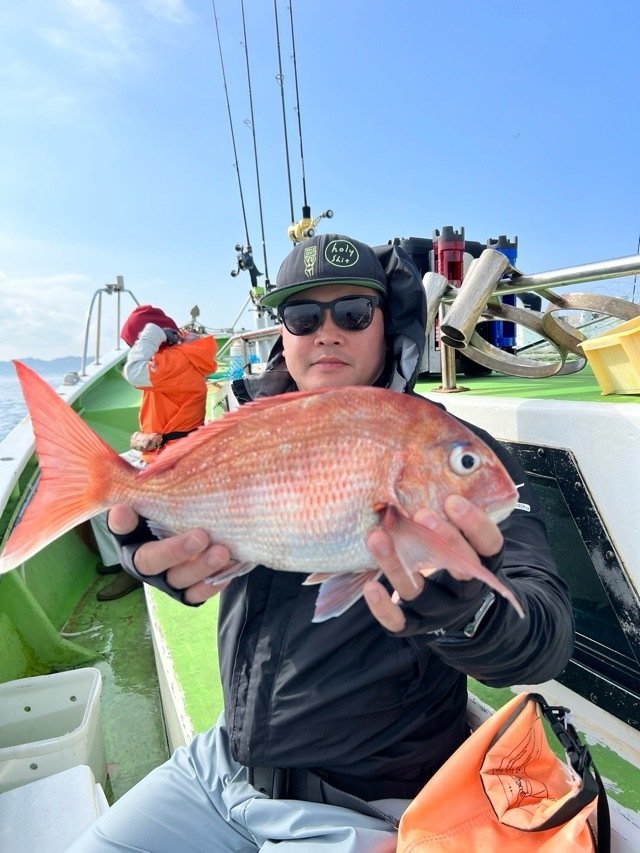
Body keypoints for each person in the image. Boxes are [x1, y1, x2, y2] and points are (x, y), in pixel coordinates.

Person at [71, 234, 574, 851]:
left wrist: (468, 611)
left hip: (364, 807)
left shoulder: (448, 447)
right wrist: (150, 535)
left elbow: (543, 636)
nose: (326, 332)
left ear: (386, 322)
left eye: (353, 313)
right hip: (220, 765)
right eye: (303, 316)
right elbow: (193, 521)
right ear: (283, 331)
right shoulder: (252, 431)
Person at [93, 304, 217, 600]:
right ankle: (118, 560)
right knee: (97, 483)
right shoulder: (179, 358)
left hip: (170, 457)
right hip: (162, 448)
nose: (136, 349)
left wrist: (150, 335)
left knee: (102, 499)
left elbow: (134, 371)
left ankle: (129, 569)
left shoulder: (173, 361)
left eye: (136, 343)